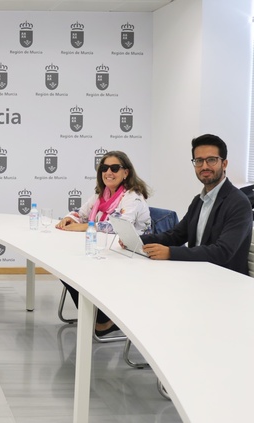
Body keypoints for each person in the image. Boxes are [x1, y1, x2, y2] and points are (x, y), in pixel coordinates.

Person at [55, 150, 151, 336]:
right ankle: (97, 317)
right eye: (104, 168)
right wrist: (69, 218)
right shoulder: (102, 195)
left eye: (115, 168)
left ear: (126, 172)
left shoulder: (133, 197)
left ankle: (104, 321)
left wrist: (86, 226)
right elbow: (80, 212)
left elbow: (119, 226)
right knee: (65, 268)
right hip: (110, 250)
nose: (109, 172)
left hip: (133, 255)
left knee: (75, 269)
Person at [137, 134, 252, 274]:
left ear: (224, 163)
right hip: (195, 273)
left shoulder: (238, 202)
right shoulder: (199, 200)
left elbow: (222, 252)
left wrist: (170, 253)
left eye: (211, 160)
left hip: (224, 280)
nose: (204, 166)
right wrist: (138, 240)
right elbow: (175, 235)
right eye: (199, 161)